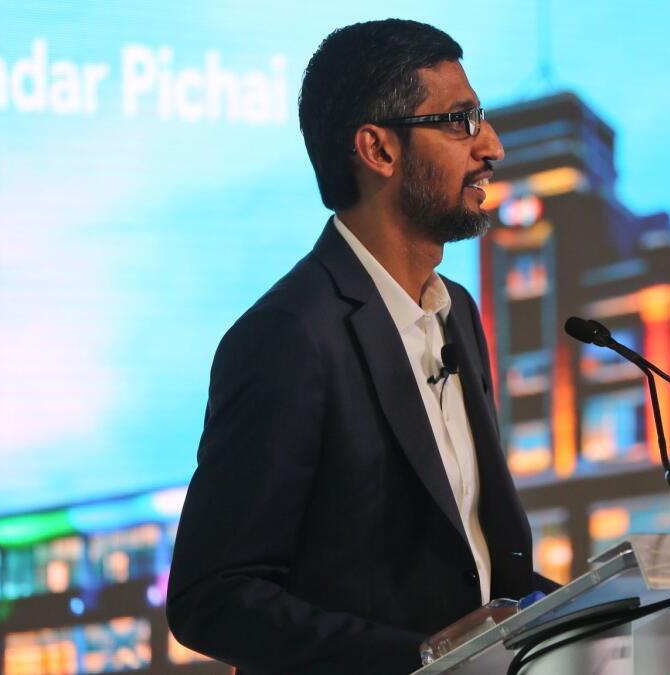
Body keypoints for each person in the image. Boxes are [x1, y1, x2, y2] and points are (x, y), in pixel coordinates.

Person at [166, 19, 558, 674]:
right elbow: (212, 597)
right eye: (460, 121)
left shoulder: (457, 310)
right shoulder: (288, 335)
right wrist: (423, 658)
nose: (491, 145)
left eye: (479, 118)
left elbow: (473, 562)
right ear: (377, 149)